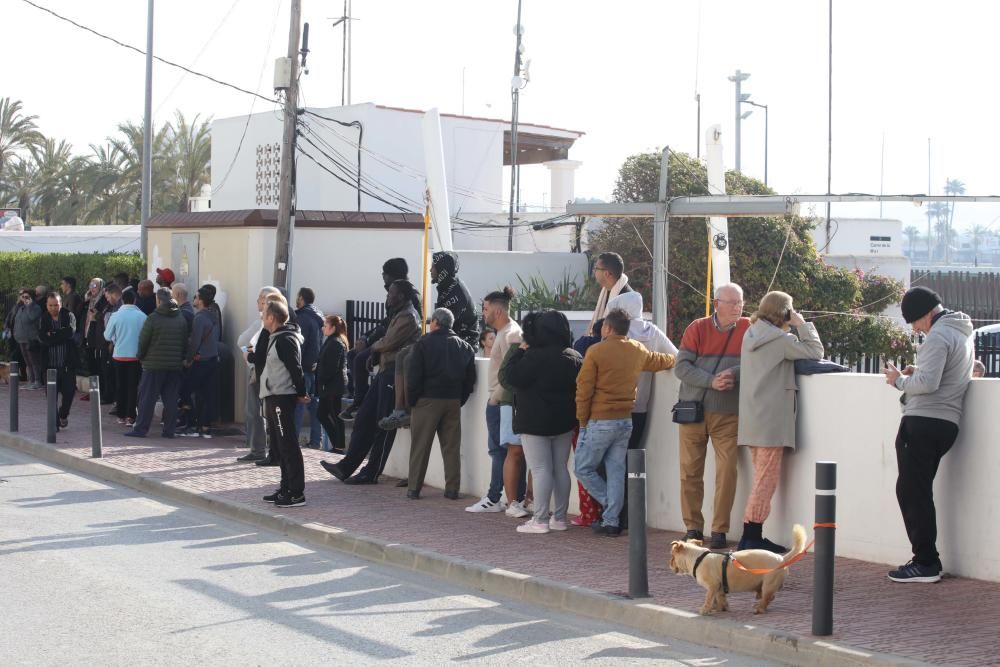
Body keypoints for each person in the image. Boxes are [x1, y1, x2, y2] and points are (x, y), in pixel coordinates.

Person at [882, 286, 973, 583]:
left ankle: (926, 562)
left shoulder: (938, 335)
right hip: (946, 421)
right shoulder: (960, 332)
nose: (914, 328)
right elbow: (937, 376)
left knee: (912, 491)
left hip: (924, 421)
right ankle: (924, 559)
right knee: (915, 489)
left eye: (915, 321)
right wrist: (915, 374)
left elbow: (929, 383)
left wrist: (898, 381)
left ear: (926, 313)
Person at [736, 291, 824, 553]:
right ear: (784, 312)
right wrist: (803, 325)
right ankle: (751, 535)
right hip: (772, 419)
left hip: (753, 417)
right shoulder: (779, 339)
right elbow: (815, 351)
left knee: (761, 477)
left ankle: (752, 535)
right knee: (766, 480)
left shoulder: (750, 334)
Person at [575, 308, 675, 536]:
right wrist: (679, 358)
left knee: (583, 468)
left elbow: (584, 389)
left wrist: (582, 421)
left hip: (600, 419)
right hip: (625, 420)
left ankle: (612, 508)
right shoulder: (637, 349)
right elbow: (662, 360)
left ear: (607, 328)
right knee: (616, 470)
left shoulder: (596, 351)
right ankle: (611, 521)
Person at [672, 282, 750, 549]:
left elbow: (757, 361)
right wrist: (711, 381)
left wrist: (734, 374)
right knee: (689, 472)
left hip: (728, 412)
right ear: (717, 303)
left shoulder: (748, 328)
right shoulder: (697, 327)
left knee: (727, 471)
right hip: (693, 410)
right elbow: (681, 367)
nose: (738, 308)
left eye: (740, 302)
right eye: (733, 303)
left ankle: (719, 530)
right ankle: (693, 528)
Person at [321, 279, 420, 484]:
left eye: (391, 293)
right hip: (385, 372)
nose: (388, 297)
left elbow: (389, 341)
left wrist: (372, 348)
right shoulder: (399, 314)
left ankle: (371, 472)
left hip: (395, 374)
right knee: (364, 418)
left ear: (401, 296)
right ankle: (346, 465)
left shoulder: (408, 316)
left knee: (384, 425)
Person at [379, 252, 479, 431]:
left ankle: (407, 409)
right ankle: (400, 409)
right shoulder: (447, 287)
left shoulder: (454, 294)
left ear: (442, 270)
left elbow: (447, 328)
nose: (430, 270)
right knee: (403, 355)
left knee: (410, 357)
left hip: (459, 344)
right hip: (446, 339)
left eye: (433, 266)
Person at [503, 310, 582, 534]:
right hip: (565, 420)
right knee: (560, 468)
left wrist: (519, 351)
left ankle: (540, 520)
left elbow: (511, 377)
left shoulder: (532, 356)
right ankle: (559, 518)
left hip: (534, 421)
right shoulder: (574, 356)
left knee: (540, 469)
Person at [604, 290, 678, 530]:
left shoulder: (613, 332)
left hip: (610, 406)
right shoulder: (651, 332)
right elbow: (676, 356)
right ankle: (627, 516)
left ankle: (612, 514)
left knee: (610, 462)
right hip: (640, 407)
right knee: (630, 459)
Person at [404, 307, 477, 499]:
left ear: (435, 322)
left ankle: (414, 488)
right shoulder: (464, 346)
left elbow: (413, 377)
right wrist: (460, 399)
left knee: (420, 446)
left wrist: (412, 401)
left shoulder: (423, 344)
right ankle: (452, 489)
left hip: (427, 400)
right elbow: (471, 379)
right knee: (451, 447)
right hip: (453, 400)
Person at [465, 287, 525, 514]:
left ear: (498, 311)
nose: (483, 313)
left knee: (502, 451)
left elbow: (513, 369)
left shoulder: (511, 334)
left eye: (486, 308)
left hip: (502, 402)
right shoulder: (506, 332)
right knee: (504, 451)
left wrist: (496, 397)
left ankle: (495, 497)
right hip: (500, 401)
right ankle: (509, 498)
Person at [259, 300, 310, 508]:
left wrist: (302, 392)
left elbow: (295, 368)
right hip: (274, 396)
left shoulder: (285, 339)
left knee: (288, 444)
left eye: (264, 313)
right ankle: (285, 487)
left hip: (282, 397)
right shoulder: (275, 337)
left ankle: (296, 493)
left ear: (272, 317)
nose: (261, 316)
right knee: (280, 445)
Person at [125, 288, 188, 439]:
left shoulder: (153, 318)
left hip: (153, 365)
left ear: (158, 300)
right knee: (171, 399)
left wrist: (140, 356)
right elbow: (185, 342)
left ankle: (141, 429)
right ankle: (169, 430)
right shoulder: (180, 318)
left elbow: (143, 340)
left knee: (147, 398)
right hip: (174, 365)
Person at [236, 286, 280, 463]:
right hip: (258, 371)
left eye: (261, 299)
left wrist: (250, 355)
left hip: (267, 374)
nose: (258, 302)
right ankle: (257, 450)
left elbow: (262, 350)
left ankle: (269, 452)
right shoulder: (261, 322)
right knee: (253, 412)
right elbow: (245, 342)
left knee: (266, 414)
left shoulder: (272, 324)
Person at [570, 317, 605, 527]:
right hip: (608, 416)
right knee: (607, 467)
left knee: (583, 467)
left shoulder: (582, 347)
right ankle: (607, 510)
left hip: (583, 419)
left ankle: (590, 512)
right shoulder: (615, 351)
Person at [180, 285, 222, 438]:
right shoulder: (214, 316)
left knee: (185, 390)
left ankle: (191, 423)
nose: (194, 300)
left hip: (200, 360)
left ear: (201, 301)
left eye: (196, 297)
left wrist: (188, 359)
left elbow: (195, 342)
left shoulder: (199, 318)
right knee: (206, 394)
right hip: (212, 359)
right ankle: (204, 426)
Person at [103, 289, 147, 425]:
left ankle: (121, 415)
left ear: (122, 300)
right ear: (135, 301)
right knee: (133, 386)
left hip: (119, 356)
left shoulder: (115, 316)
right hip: (135, 357)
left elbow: (107, 336)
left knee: (120, 385)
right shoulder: (142, 316)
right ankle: (131, 416)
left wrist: (116, 339)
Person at [39, 292, 78, 429]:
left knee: (69, 393)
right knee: (51, 397)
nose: (53, 308)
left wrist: (53, 334)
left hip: (66, 364)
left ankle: (63, 414)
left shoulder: (68, 316)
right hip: (49, 366)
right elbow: (43, 338)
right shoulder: (43, 318)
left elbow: (70, 333)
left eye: (56, 305)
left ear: (61, 304)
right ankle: (54, 424)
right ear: (46, 305)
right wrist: (59, 334)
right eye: (50, 305)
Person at [294, 286, 324, 448]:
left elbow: (299, 345)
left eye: (297, 297)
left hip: (303, 368)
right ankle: (315, 441)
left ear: (301, 298)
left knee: (298, 406)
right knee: (314, 407)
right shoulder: (319, 318)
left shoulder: (302, 318)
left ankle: (293, 440)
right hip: (314, 368)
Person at [316, 315, 349, 454]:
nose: (323, 328)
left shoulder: (335, 343)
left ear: (333, 328)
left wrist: (321, 378)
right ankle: (337, 443)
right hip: (330, 385)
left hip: (333, 386)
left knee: (333, 414)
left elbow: (332, 368)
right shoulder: (331, 341)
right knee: (323, 414)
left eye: (325, 325)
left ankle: (339, 445)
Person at [588, 252, 633, 333]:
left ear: (607, 274)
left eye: (596, 268)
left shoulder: (626, 298)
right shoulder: (606, 291)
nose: (594, 271)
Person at [83, 278, 111, 402]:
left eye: (95, 285)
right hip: (89, 335)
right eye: (90, 285)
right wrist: (87, 299)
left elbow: (102, 316)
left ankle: (104, 393)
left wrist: (96, 314)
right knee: (91, 365)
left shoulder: (104, 299)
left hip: (99, 337)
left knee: (101, 366)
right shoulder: (89, 299)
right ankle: (93, 391)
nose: (92, 287)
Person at [12, 289, 42, 389]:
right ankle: (31, 380)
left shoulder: (36, 308)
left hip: (31, 338)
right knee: (27, 361)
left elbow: (32, 318)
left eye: (27, 297)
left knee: (34, 360)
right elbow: (16, 320)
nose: (24, 299)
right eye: (23, 297)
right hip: (21, 338)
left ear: (32, 298)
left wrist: (29, 306)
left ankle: (37, 381)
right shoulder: (21, 308)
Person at [60, 277, 85, 341]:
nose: (61, 286)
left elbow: (70, 314)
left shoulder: (73, 297)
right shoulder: (67, 296)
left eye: (62, 284)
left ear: (68, 285)